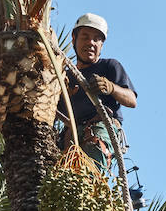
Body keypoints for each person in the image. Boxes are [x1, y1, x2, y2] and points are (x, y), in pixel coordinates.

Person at [57, 13, 137, 169]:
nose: (91, 43)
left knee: (88, 174)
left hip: (98, 131)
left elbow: (131, 100)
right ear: (74, 39)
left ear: (101, 45)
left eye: (96, 39)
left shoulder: (109, 66)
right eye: (85, 37)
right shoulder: (64, 76)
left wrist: (111, 87)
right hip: (71, 136)